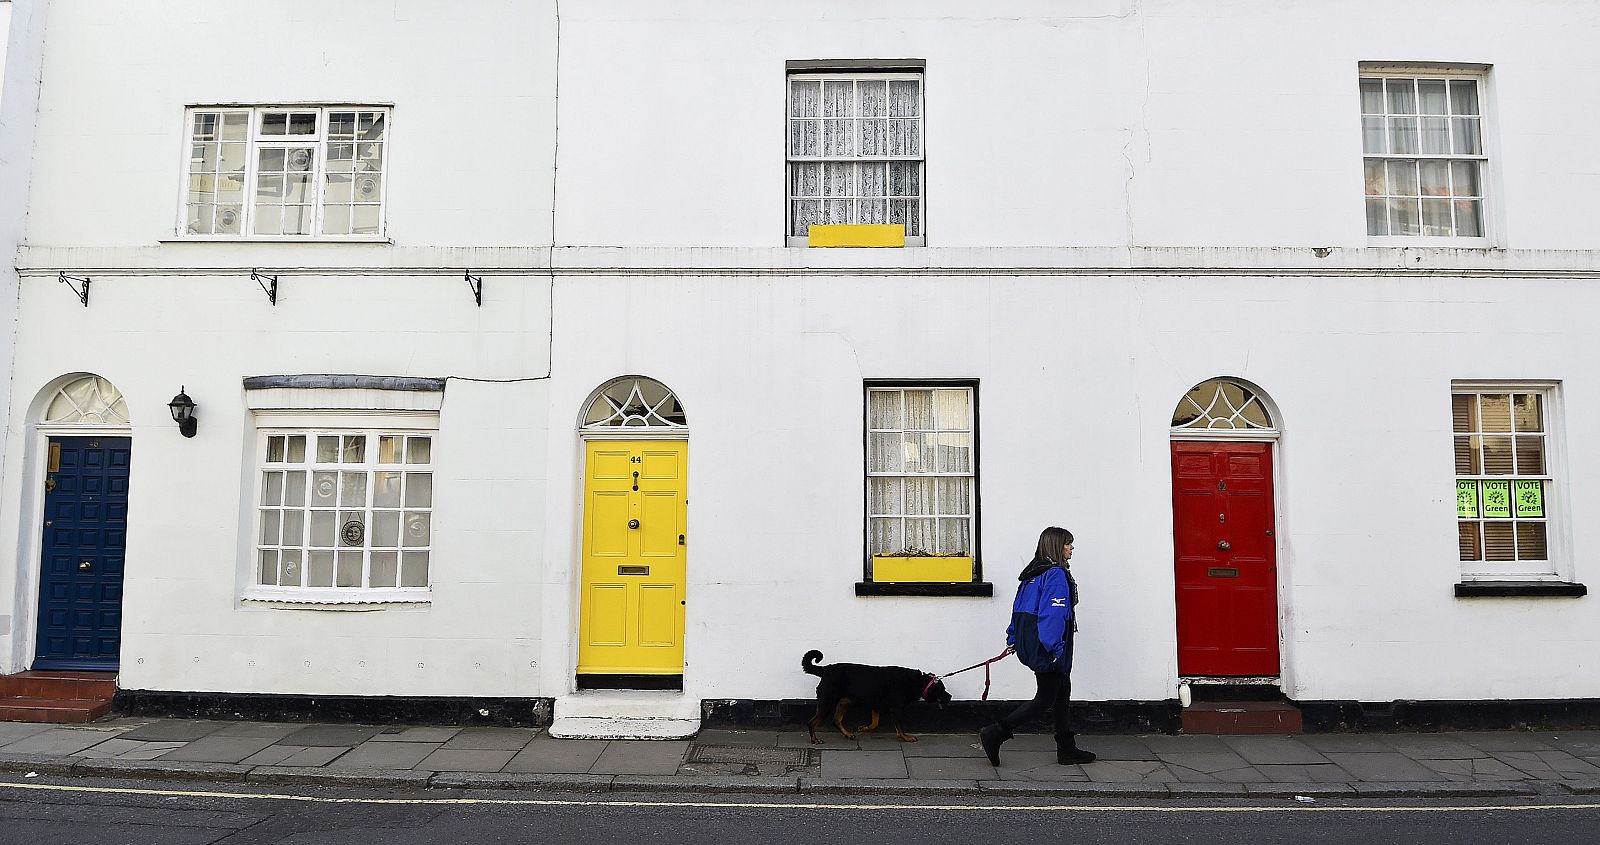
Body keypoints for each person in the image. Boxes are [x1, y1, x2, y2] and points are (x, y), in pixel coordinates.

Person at [978, 526, 1096, 766]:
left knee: (1062, 691)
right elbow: (1053, 615)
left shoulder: (1032, 573)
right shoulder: (1055, 575)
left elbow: (1019, 610)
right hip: (1051, 645)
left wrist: (1013, 637)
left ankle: (1066, 747)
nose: (1071, 548)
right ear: (1055, 546)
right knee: (1045, 698)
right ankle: (996, 732)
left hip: (1037, 642)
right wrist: (1056, 648)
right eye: (1067, 544)